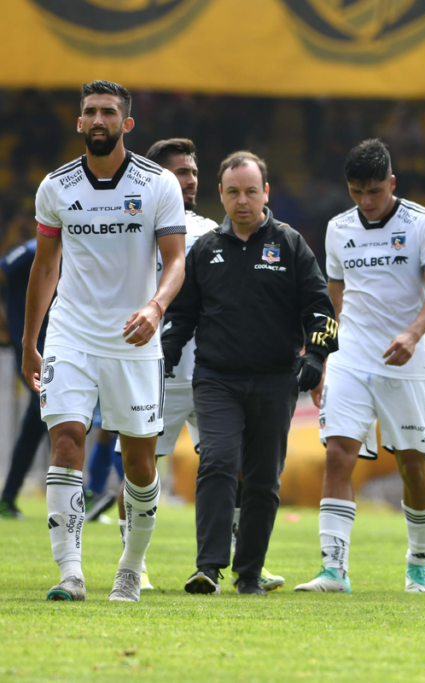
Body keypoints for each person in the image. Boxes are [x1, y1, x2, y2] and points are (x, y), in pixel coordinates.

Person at [24, 80, 187, 602]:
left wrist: (155, 306)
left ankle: (130, 567)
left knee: (139, 464)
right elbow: (45, 266)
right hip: (70, 334)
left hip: (134, 337)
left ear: (126, 123)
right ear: (79, 122)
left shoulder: (159, 184)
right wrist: (32, 338)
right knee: (66, 441)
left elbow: (176, 260)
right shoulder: (55, 187)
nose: (98, 120)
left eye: (109, 113)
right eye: (90, 112)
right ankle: (70, 574)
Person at [111, 138, 286, 592]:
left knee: (236, 469)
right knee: (139, 465)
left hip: (211, 372)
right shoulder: (133, 222)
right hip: (157, 368)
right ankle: (136, 561)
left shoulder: (213, 230)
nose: (189, 180)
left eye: (192, 172)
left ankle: (248, 558)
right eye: (178, 172)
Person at [162, 151, 337, 596]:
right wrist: (164, 354)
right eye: (234, 192)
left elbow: (321, 310)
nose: (243, 201)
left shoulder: (291, 244)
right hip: (216, 378)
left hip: (276, 379)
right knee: (218, 460)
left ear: (266, 193)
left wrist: (315, 358)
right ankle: (208, 568)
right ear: (220, 194)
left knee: (262, 478)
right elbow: (183, 316)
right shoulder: (204, 250)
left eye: (251, 191)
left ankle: (249, 574)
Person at [294, 139, 425, 594]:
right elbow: (334, 299)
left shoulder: (424, 223)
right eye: (357, 192)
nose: (366, 201)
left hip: (407, 360)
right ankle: (334, 570)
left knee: (411, 465)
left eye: (375, 191)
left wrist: (412, 333)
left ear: (392, 183)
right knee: (338, 454)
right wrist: (323, 358)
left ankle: (419, 564)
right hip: (353, 358)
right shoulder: (338, 228)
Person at [0, 239, 50, 520]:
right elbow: (3, 269)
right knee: (55, 413)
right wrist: (5, 323)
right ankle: (78, 492)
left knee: (37, 419)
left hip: (55, 347)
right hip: (29, 348)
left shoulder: (75, 249)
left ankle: (7, 498)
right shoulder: (32, 249)